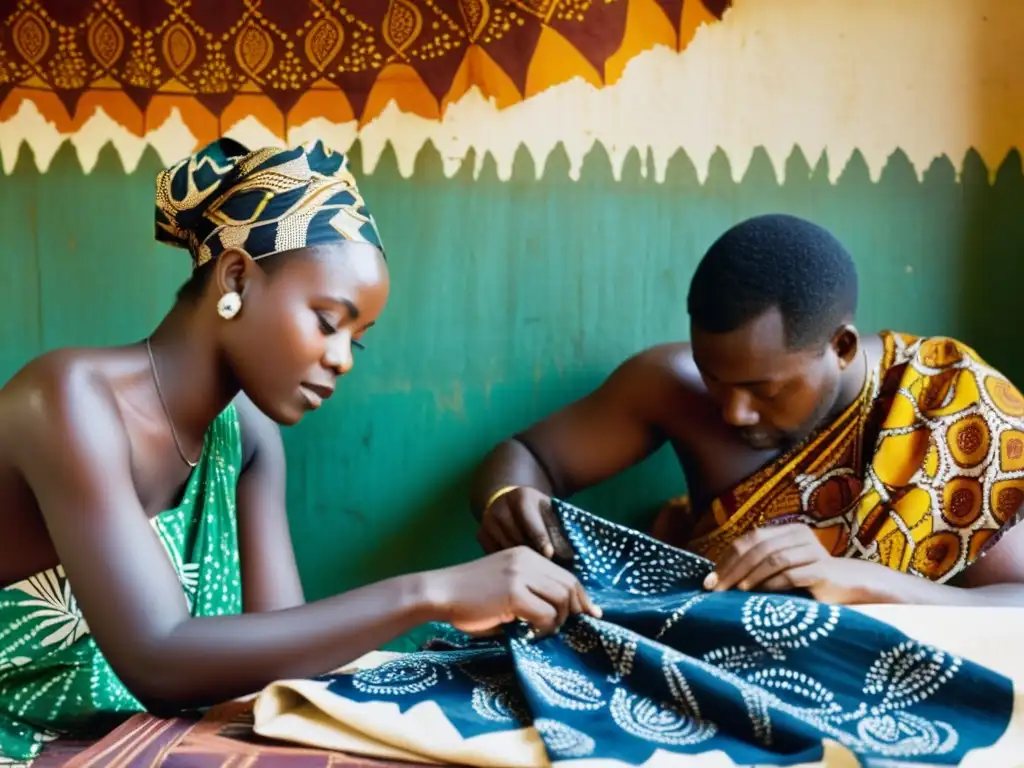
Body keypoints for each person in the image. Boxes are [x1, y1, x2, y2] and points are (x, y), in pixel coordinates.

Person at [0, 139, 599, 763]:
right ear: (236, 278)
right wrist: (433, 592)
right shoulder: (69, 402)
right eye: (326, 320)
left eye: (357, 342)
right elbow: (158, 657)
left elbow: (280, 657)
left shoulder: (249, 437)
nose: (341, 359)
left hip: (132, 747)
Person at [472, 213, 1024, 606]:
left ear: (842, 348)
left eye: (766, 388)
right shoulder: (672, 386)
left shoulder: (953, 407)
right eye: (715, 376)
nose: (734, 412)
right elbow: (527, 455)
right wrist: (509, 501)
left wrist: (861, 581)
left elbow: (1015, 605)